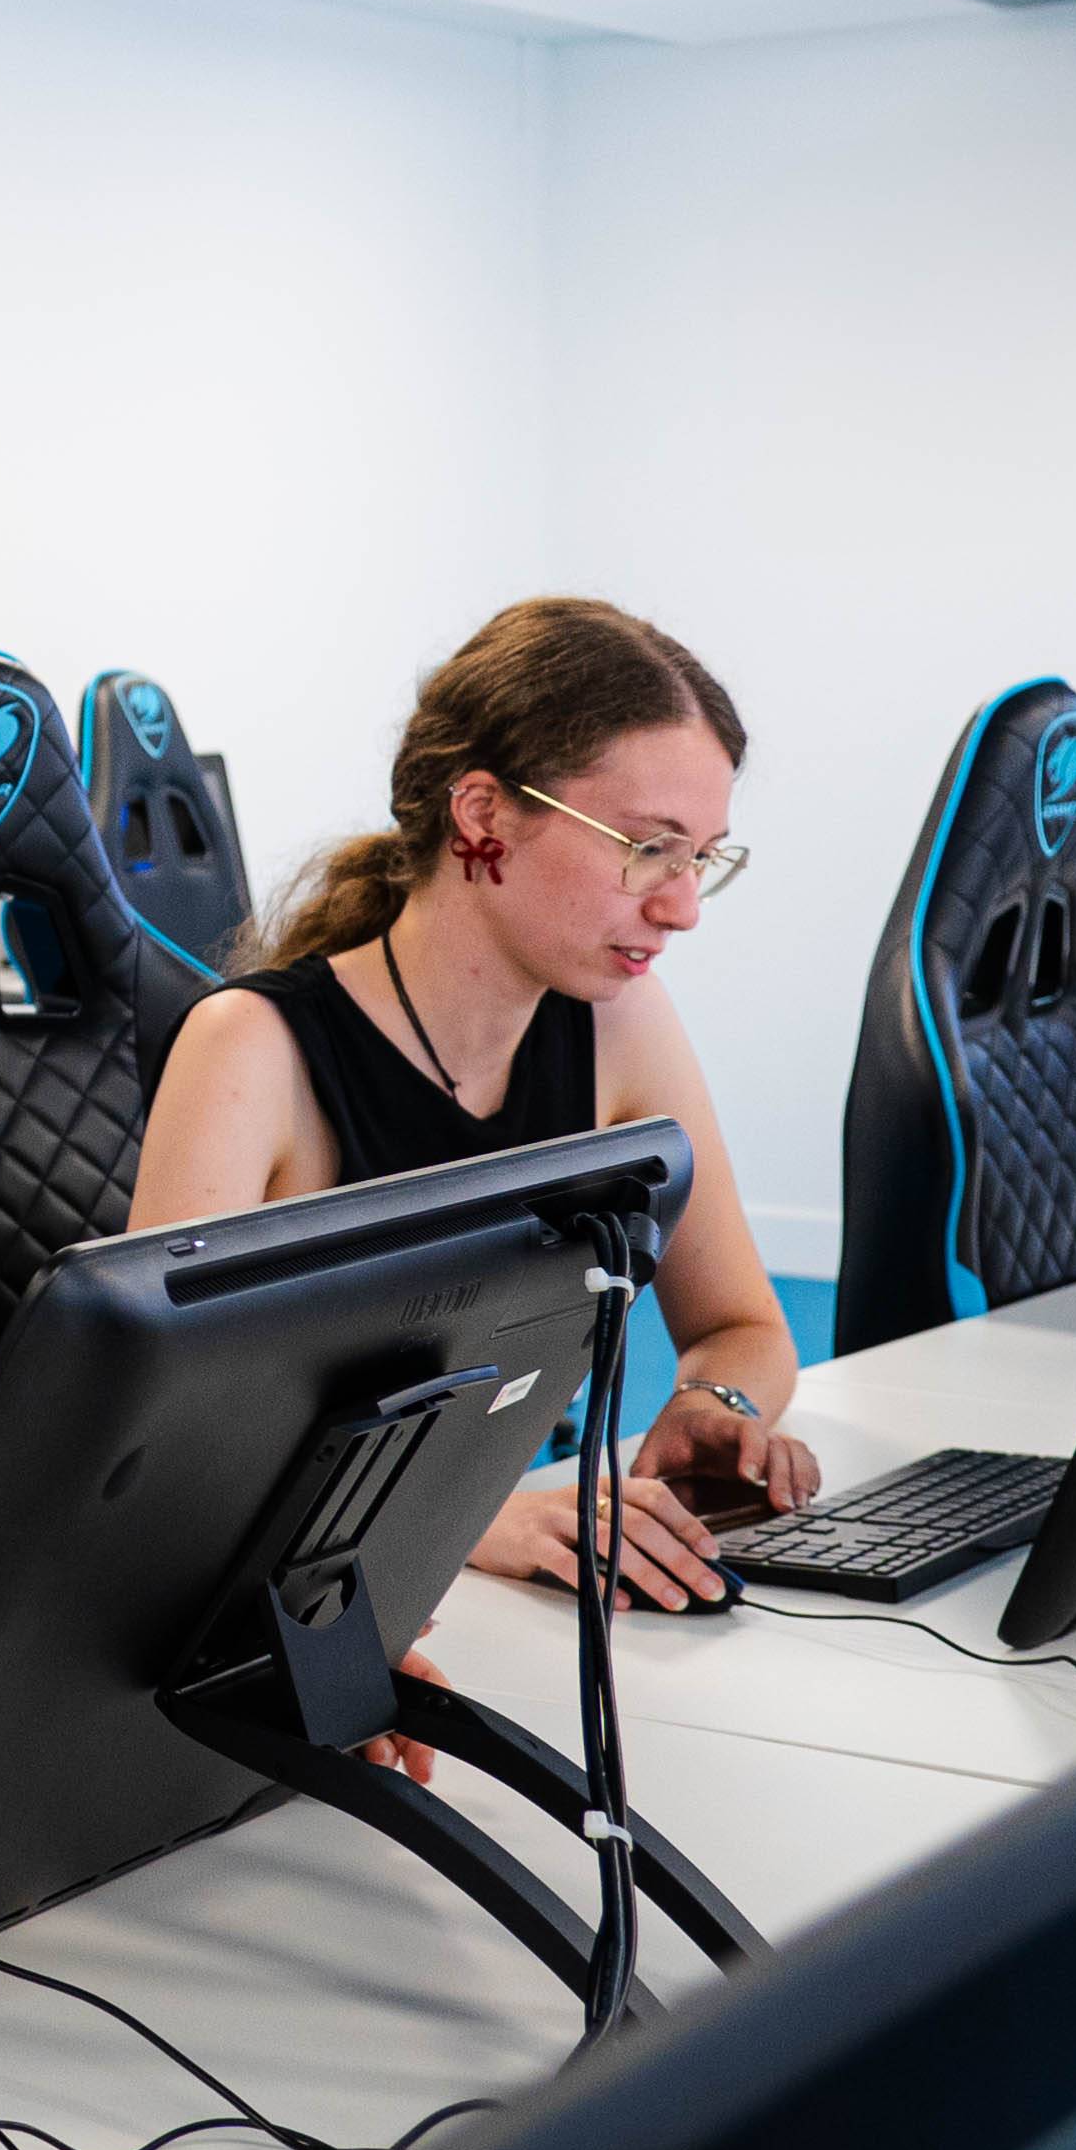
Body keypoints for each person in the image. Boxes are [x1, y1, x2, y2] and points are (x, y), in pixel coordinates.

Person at [131, 598, 827, 1610]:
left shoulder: (619, 1022)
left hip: (503, 1586)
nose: (678, 905)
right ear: (482, 814)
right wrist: (464, 1517)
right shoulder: (252, 1051)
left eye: (700, 858)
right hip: (297, 1602)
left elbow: (741, 1326)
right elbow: (163, 1448)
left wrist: (711, 1402)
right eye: (647, 847)